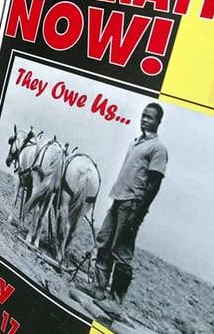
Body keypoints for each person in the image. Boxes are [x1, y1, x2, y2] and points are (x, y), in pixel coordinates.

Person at [86, 102, 168, 316]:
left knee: (121, 251)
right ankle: (99, 289)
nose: (144, 119)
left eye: (149, 117)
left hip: (132, 204)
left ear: (158, 121)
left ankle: (114, 303)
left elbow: (154, 183)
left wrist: (138, 214)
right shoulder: (136, 143)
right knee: (104, 241)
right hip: (118, 198)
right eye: (143, 115)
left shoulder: (158, 148)